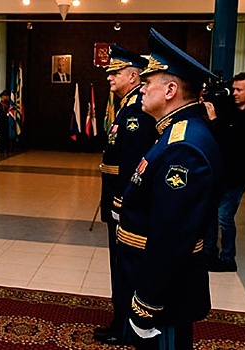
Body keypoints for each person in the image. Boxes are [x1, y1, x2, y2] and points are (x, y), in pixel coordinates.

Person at [115, 28, 222, 349]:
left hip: (164, 292)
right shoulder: (177, 131)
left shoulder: (184, 146)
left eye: (148, 83)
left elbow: (171, 236)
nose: (142, 89)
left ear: (171, 90)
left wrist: (147, 304)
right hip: (155, 276)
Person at [94, 45, 158, 346]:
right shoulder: (126, 105)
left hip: (123, 201)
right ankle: (120, 319)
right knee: (119, 264)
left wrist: (122, 203)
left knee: (124, 266)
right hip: (116, 198)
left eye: (115, 72)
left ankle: (124, 325)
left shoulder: (136, 110)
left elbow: (134, 163)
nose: (110, 78)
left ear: (134, 76)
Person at [204, 72, 245, 272]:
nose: (234, 93)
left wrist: (215, 120)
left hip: (239, 174)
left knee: (224, 215)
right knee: (211, 213)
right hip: (220, 171)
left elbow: (234, 140)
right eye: (233, 89)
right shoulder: (229, 107)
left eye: (239, 90)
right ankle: (209, 253)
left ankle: (228, 258)